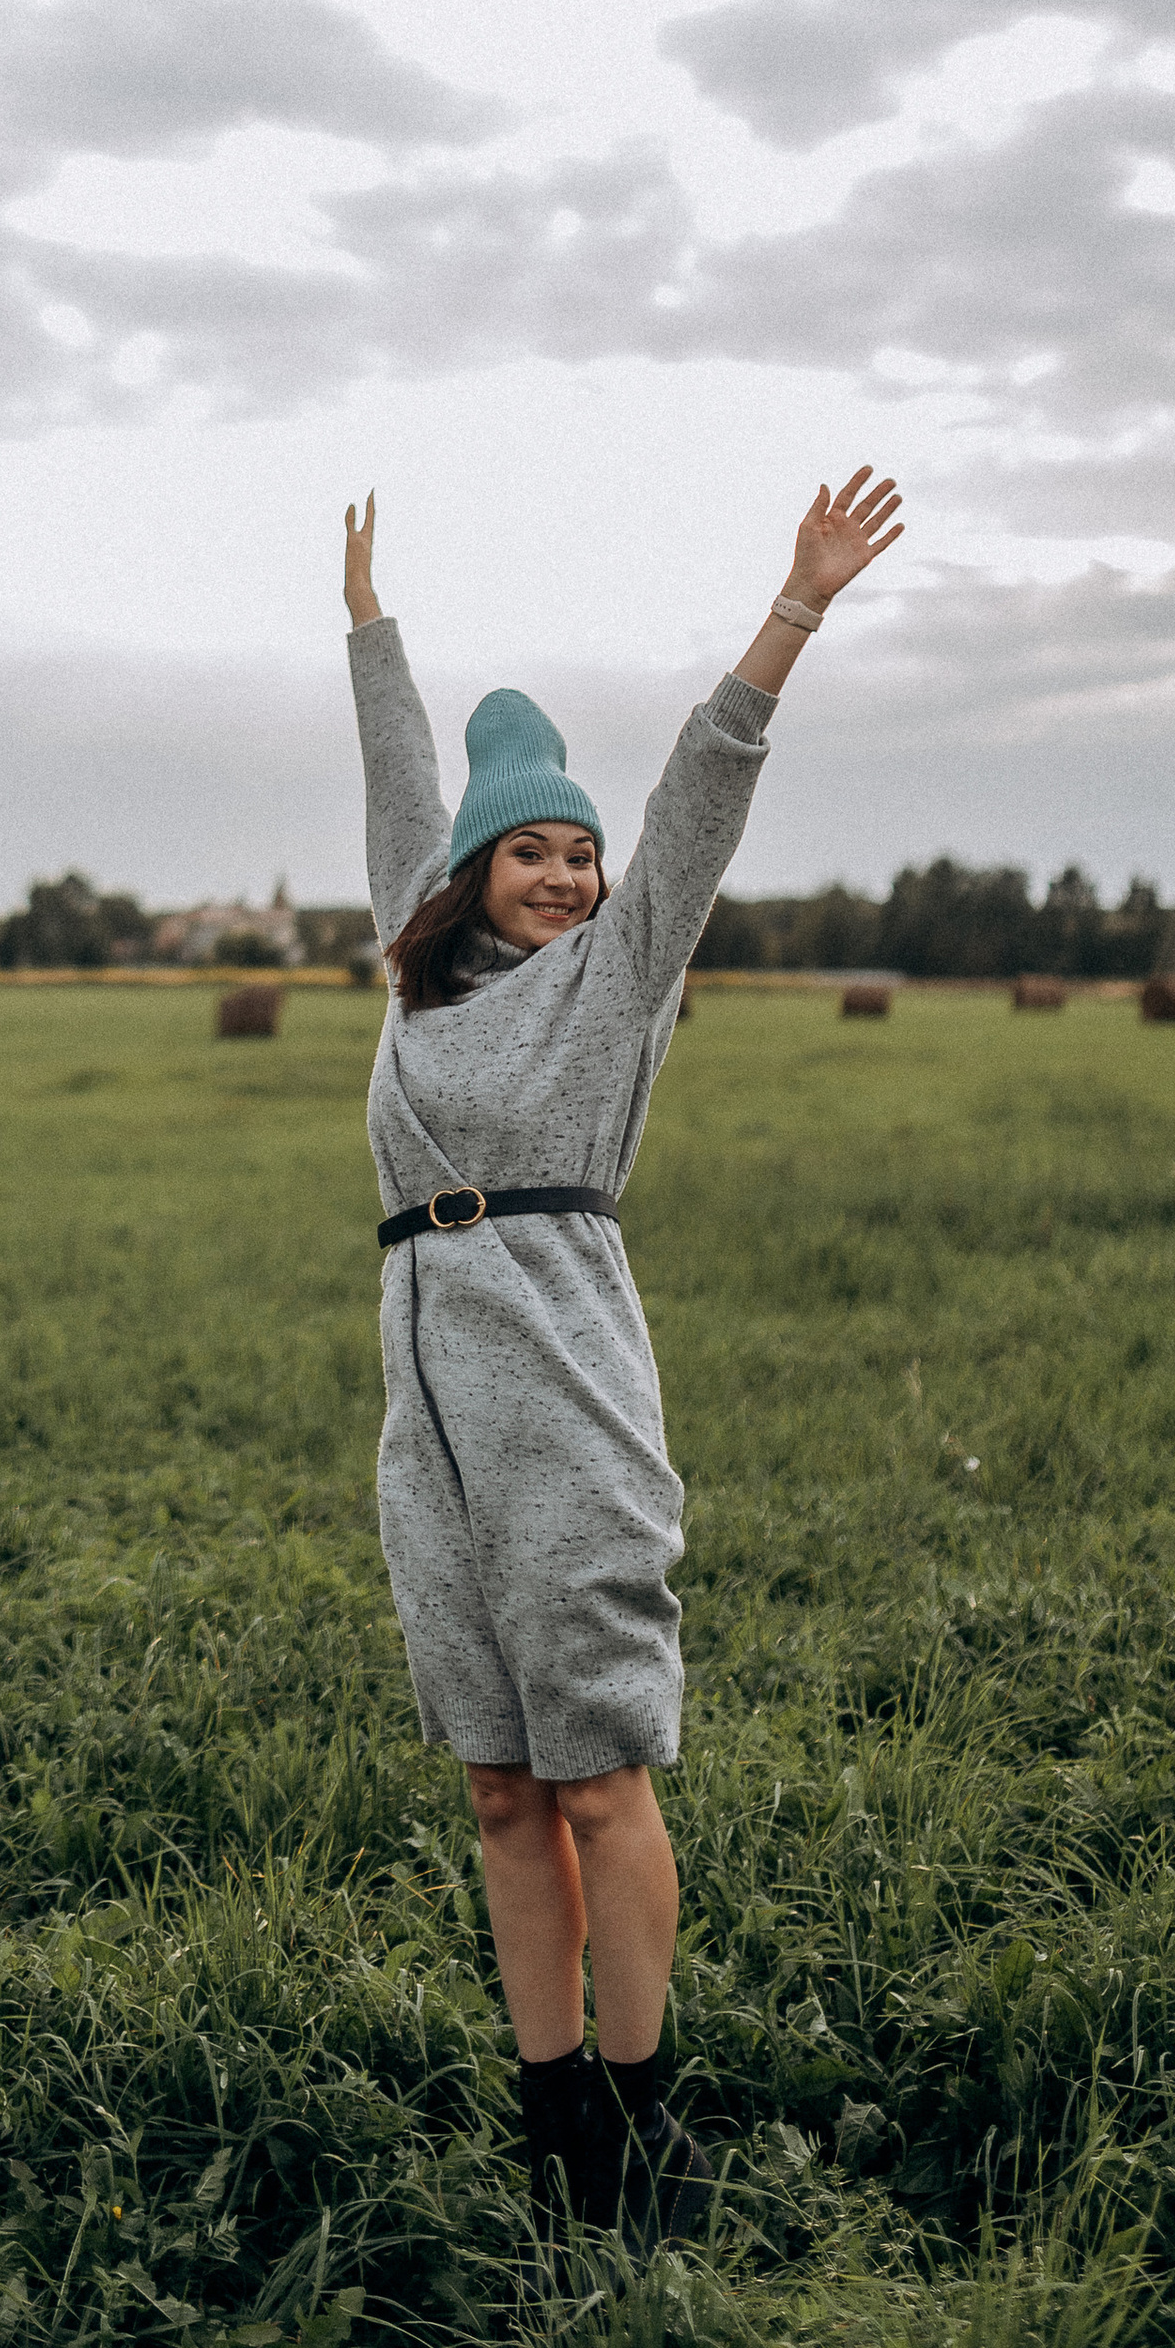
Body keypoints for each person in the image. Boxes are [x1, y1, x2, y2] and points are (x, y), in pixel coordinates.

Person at [340, 469, 903, 2244]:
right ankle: (556, 2118)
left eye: (577, 855)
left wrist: (793, 612)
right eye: (533, 853)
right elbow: (399, 790)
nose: (568, 877)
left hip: (572, 1410)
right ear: (470, 875)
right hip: (430, 1438)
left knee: (597, 1776)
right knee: (503, 1789)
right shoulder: (416, 980)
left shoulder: (619, 975)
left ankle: (651, 2120)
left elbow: (702, 798)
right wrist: (369, 631)